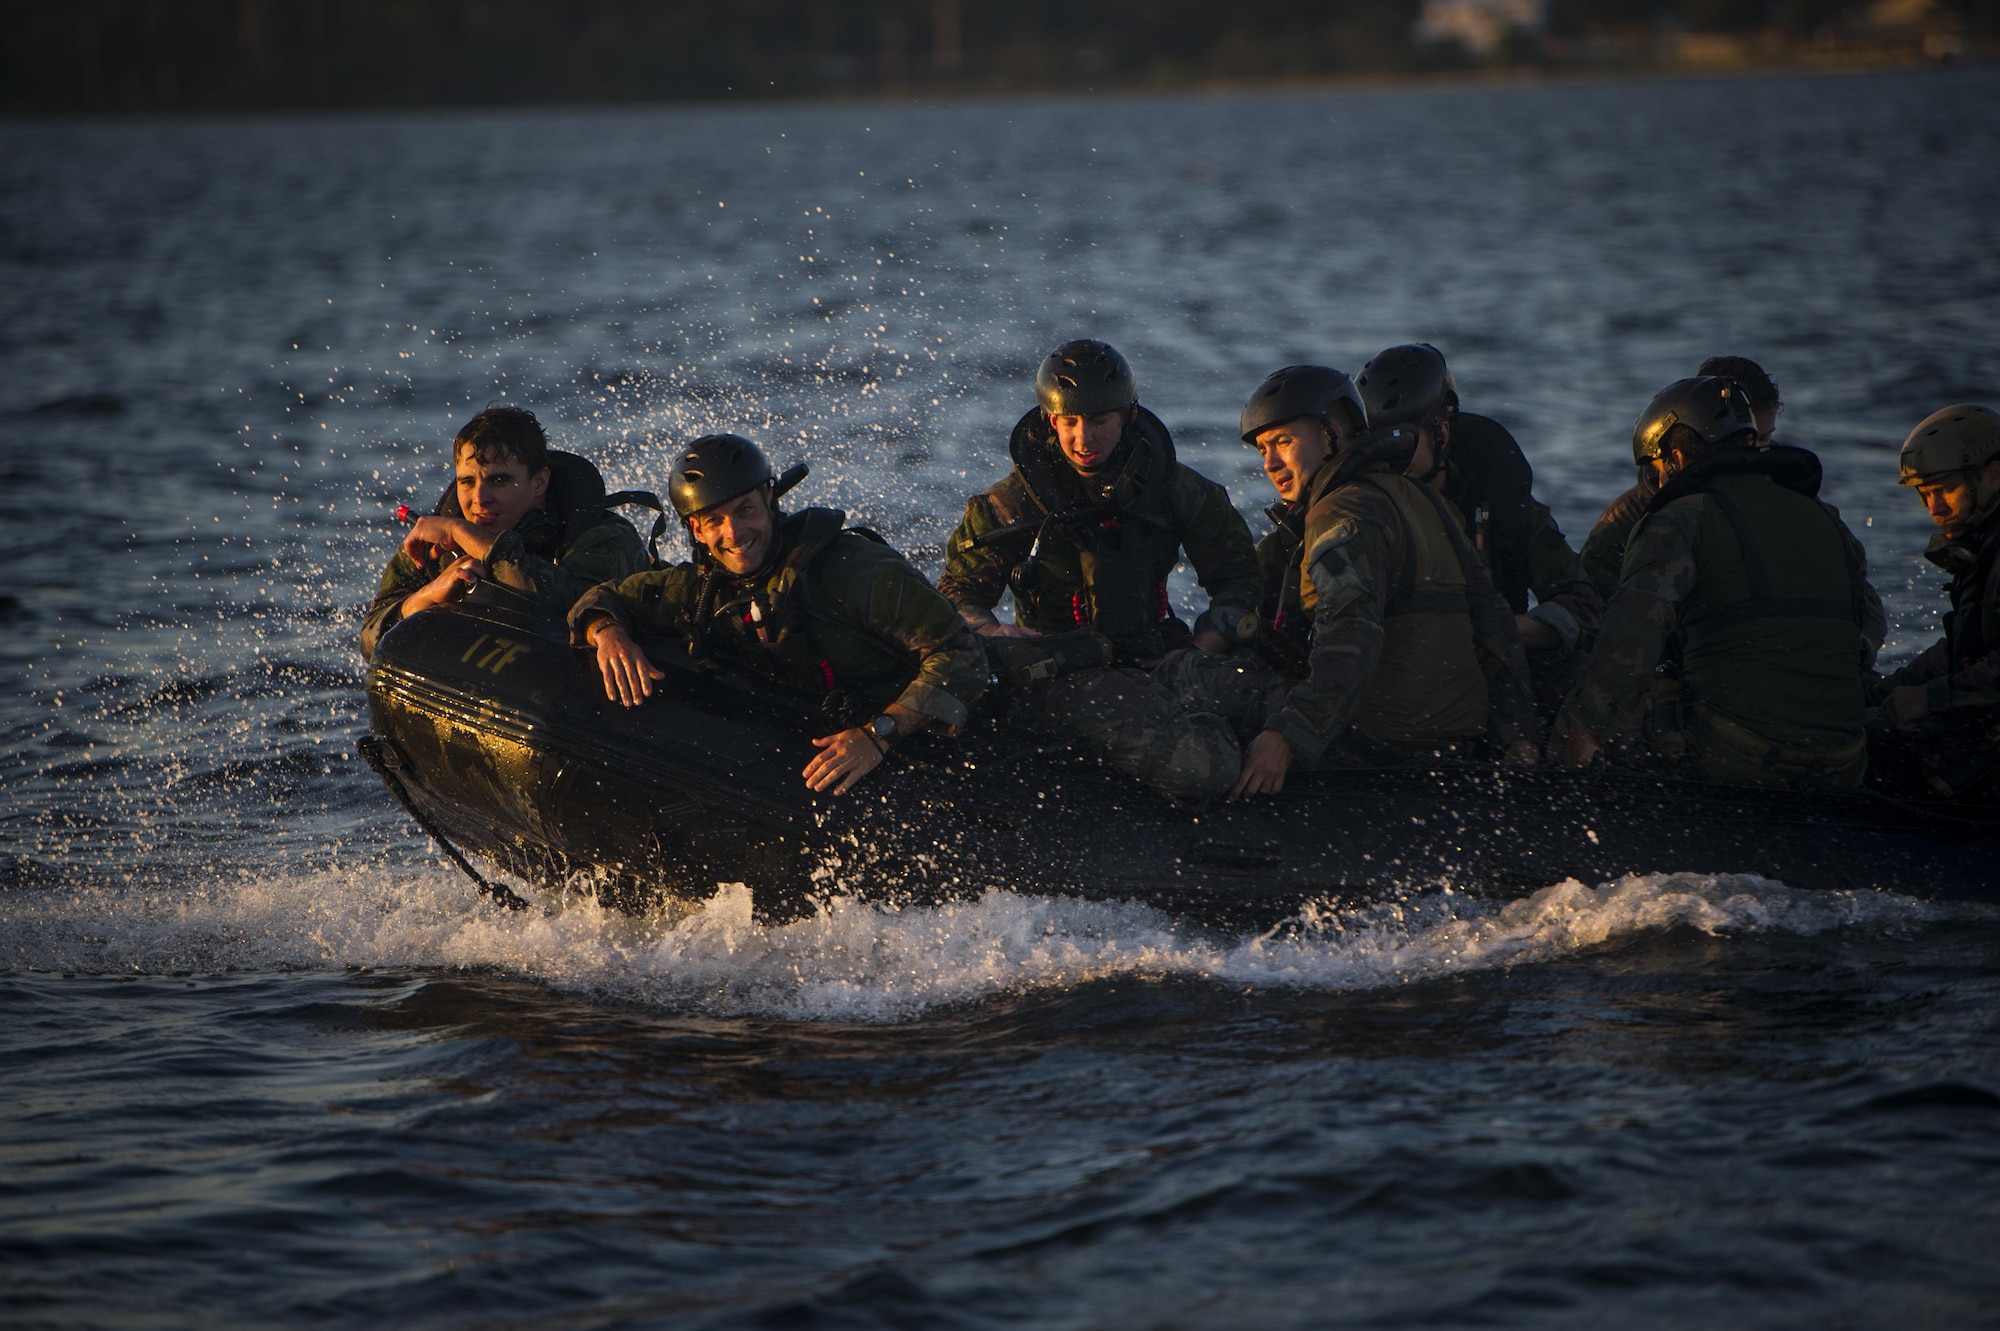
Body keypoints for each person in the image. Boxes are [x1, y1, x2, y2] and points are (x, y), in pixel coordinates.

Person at [1163, 364, 1541, 799]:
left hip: (1377, 737)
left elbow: (1352, 635)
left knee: (1186, 672)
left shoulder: (1340, 513)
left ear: (1333, 434)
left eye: (1283, 442)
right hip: (1453, 736)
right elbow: (1492, 620)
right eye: (1263, 449)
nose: (1269, 463)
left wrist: (1286, 736)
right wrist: (1518, 735)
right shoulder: (1428, 500)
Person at [570, 433, 988, 796]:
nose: (733, 533)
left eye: (745, 510)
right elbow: (603, 599)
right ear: (695, 530)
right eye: (714, 521)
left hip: (932, 738)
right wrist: (608, 634)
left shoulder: (853, 570)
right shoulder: (702, 591)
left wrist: (878, 733)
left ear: (770, 499)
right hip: (822, 749)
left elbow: (963, 655)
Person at [936, 338, 1262, 799]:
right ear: (1050, 420)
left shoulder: (1176, 489)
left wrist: (1201, 648)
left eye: (1099, 421)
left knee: (1273, 700)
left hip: (1161, 657)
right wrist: (992, 632)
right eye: (1069, 422)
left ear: (1128, 417)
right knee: (1202, 768)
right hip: (1059, 672)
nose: (1083, 439)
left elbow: (1240, 580)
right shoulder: (1008, 503)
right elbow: (955, 593)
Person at [1555, 377, 1885, 789]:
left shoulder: (1679, 521)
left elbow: (1629, 641)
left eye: (1656, 470)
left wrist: (1583, 729)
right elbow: (1868, 629)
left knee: (1577, 684)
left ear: (1674, 458)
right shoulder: (1828, 520)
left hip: (1737, 756)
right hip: (1846, 760)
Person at [1355, 344, 1601, 713]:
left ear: (1442, 431)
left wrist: (1497, 628)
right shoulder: (1363, 506)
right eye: (1380, 443)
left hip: (1493, 680)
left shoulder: (1499, 501)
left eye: (1404, 439)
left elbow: (1584, 609)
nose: (1391, 457)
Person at [359, 405, 650, 658]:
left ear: (539, 483)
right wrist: (426, 598)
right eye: (466, 482)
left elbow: (580, 601)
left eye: (498, 480)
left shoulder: (603, 536)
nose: (479, 500)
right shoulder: (434, 542)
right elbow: (371, 640)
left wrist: (466, 536)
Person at [1869, 404, 2000, 800]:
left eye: (1945, 489)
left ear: (1993, 475)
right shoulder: (1984, 546)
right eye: (1925, 494)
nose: (1934, 509)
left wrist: (1929, 698)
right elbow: (1966, 646)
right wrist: (1882, 692)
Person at [1579, 355, 1781, 600]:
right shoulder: (1629, 518)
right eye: (1739, 440)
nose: (1751, 455)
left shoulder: (1787, 504)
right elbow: (1588, 611)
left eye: (1763, 440)